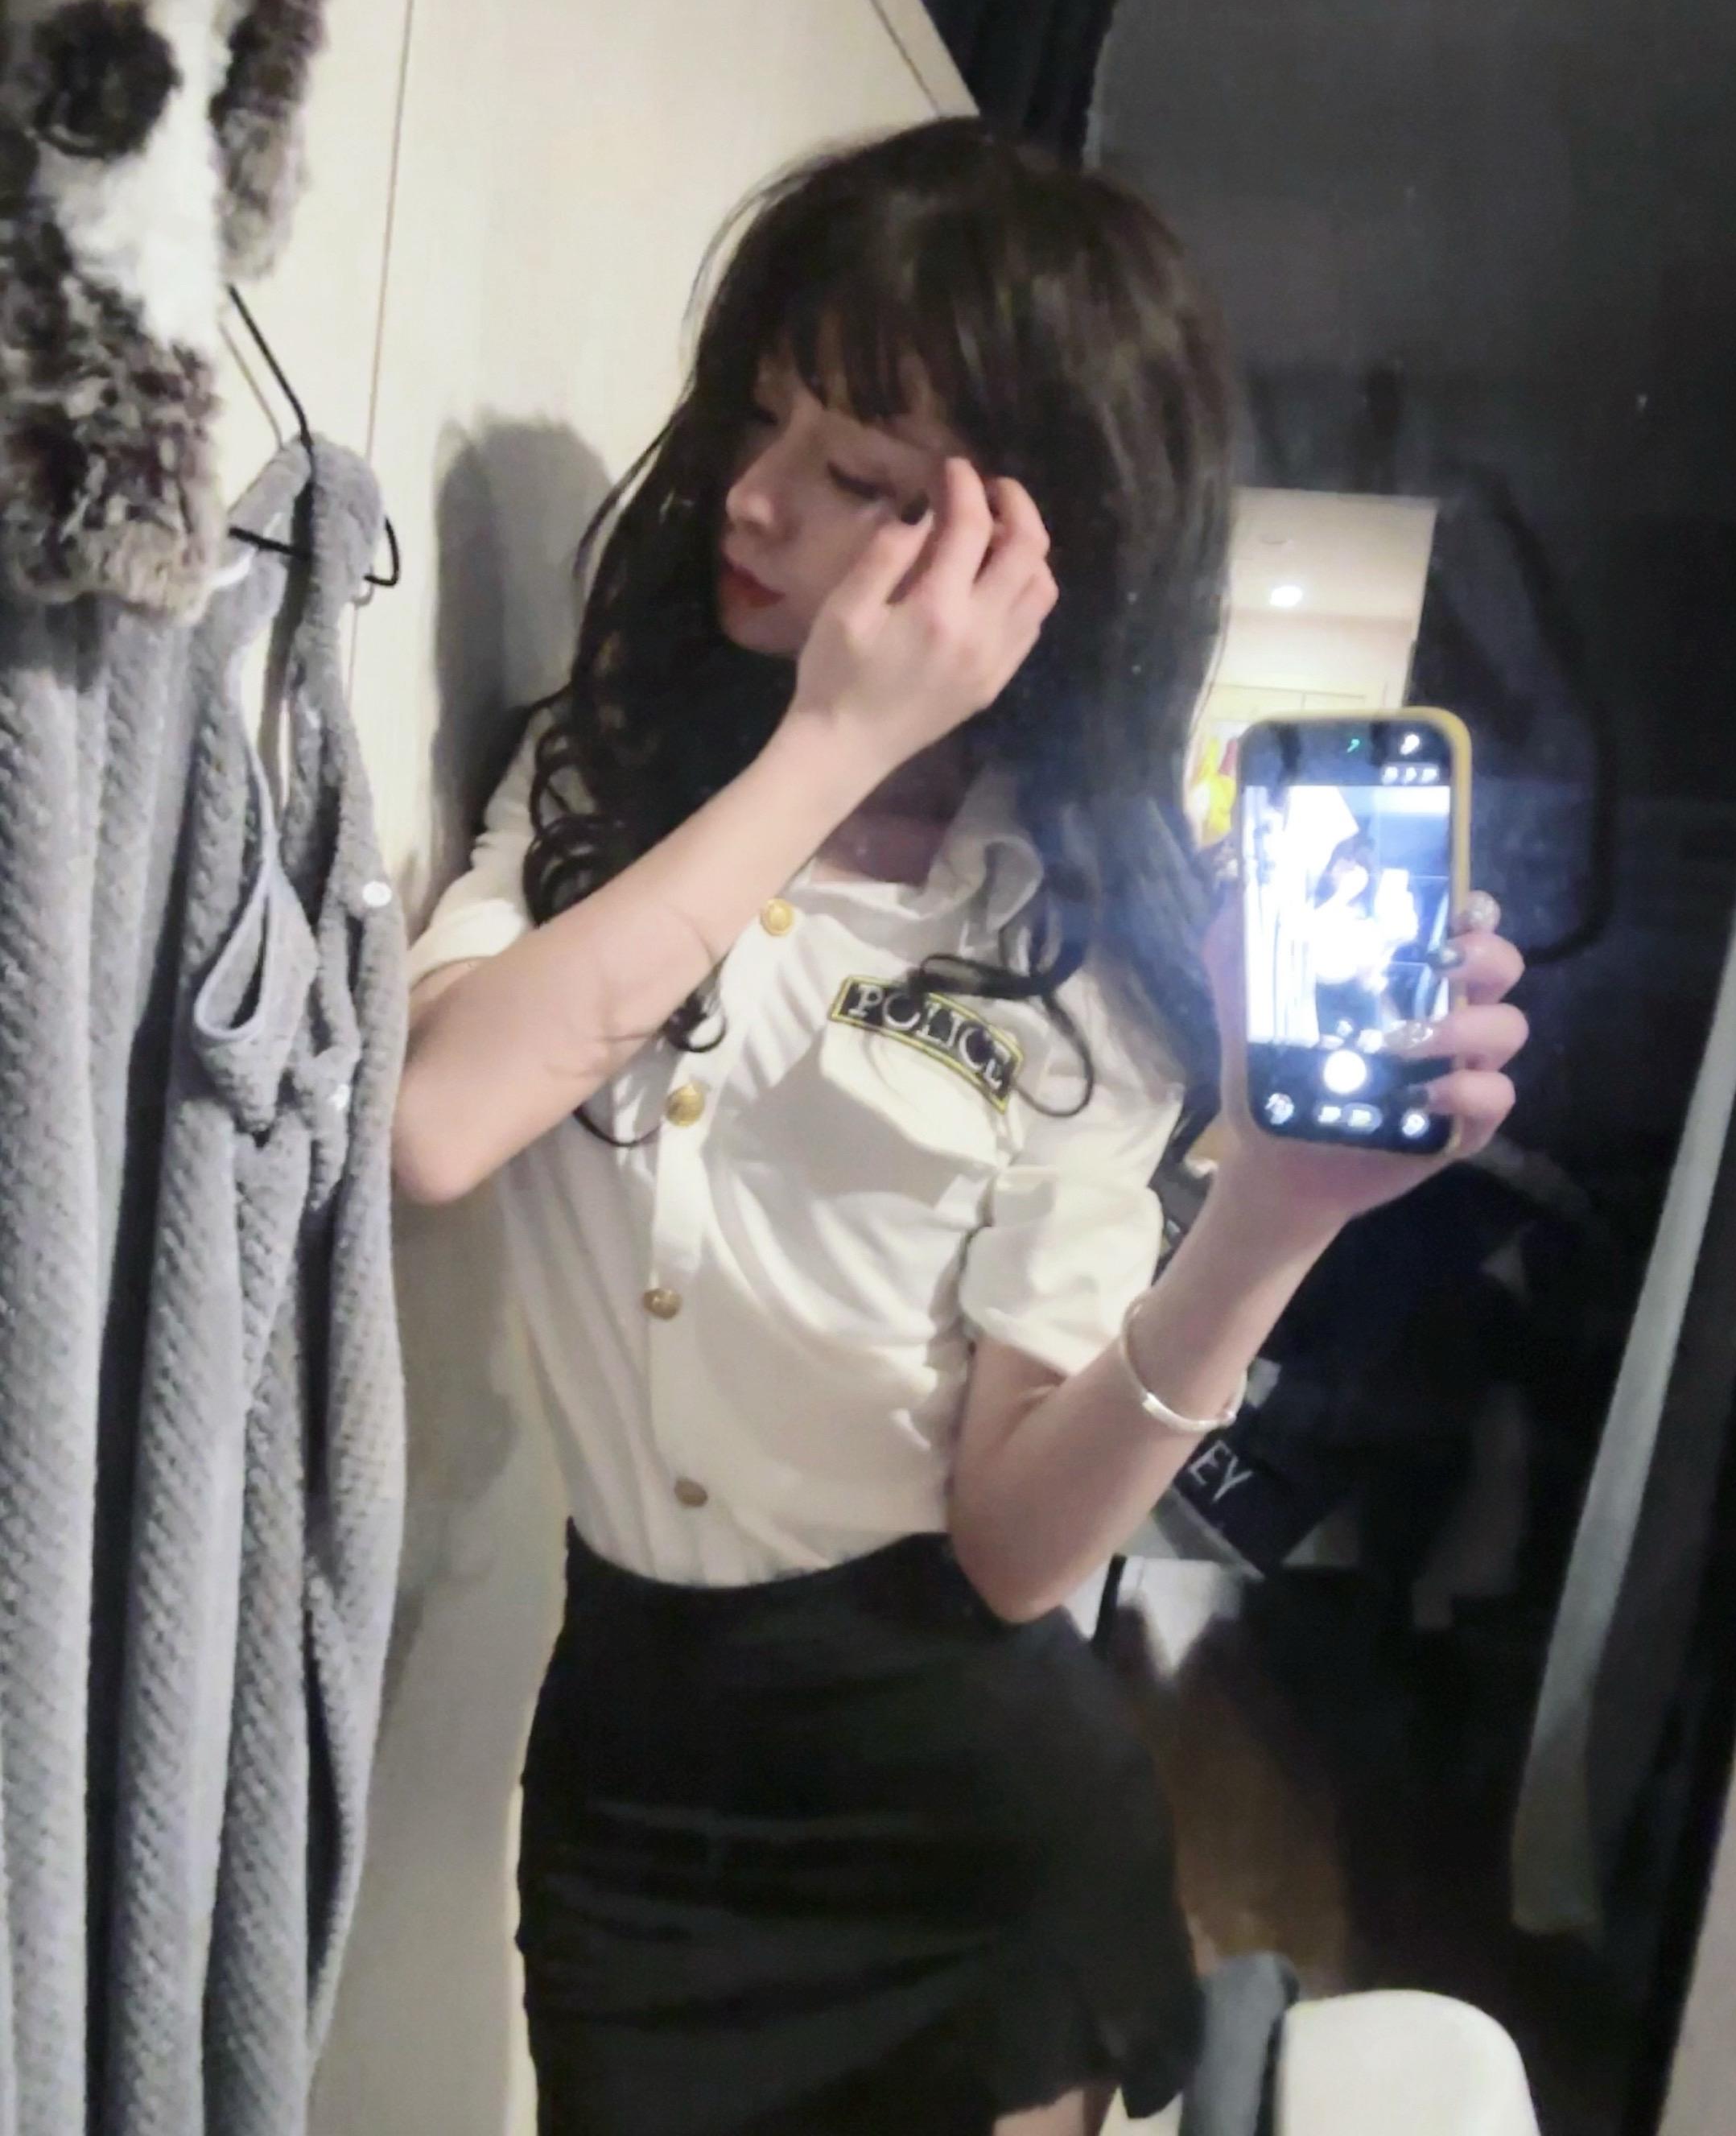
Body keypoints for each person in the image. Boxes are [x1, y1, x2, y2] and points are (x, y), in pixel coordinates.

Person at [394, 120, 1527, 2136]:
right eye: (762, 416)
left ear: (1035, 552)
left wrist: (1274, 1216)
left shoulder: (1079, 955)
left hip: (960, 1816)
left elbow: (1015, 1550)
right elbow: (438, 1122)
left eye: (863, 477)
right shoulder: (601, 785)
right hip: (632, 1776)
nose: (755, 496)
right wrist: (835, 742)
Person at [1307, 835, 1413, 1044]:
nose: (1350, 869)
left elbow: (1399, 935)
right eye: (1345, 860)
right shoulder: (1319, 909)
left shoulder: (1371, 918)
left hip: (1361, 1002)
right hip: (1325, 1000)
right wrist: (1342, 896)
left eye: (1357, 863)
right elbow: (1311, 940)